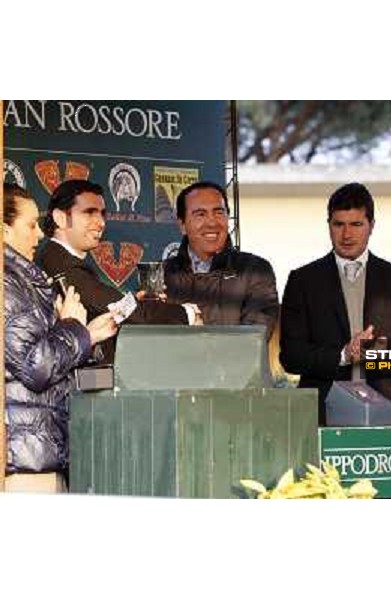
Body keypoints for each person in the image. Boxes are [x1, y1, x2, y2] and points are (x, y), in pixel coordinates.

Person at [3, 183, 118, 492]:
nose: (40, 234)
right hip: (25, 459)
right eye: (30, 225)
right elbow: (35, 368)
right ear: (4, 230)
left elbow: (53, 361)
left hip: (43, 450)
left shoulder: (26, 283)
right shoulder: (7, 284)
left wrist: (88, 337)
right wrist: (74, 328)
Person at [279, 182, 391, 425]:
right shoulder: (302, 280)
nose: (347, 234)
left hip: (388, 416)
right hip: (322, 415)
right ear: (329, 226)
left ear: (371, 226)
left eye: (356, 224)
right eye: (339, 224)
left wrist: (382, 354)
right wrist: (344, 354)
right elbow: (291, 356)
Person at [38, 179, 202, 366]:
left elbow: (110, 307)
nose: (100, 223)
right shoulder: (61, 264)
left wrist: (135, 302)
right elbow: (118, 310)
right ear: (60, 218)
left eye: (102, 214)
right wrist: (187, 312)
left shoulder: (63, 261)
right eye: (89, 212)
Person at [163, 181, 279, 339]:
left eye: (219, 212)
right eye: (200, 214)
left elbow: (254, 339)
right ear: (182, 224)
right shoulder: (163, 274)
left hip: (232, 364)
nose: (212, 222)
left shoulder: (255, 270)